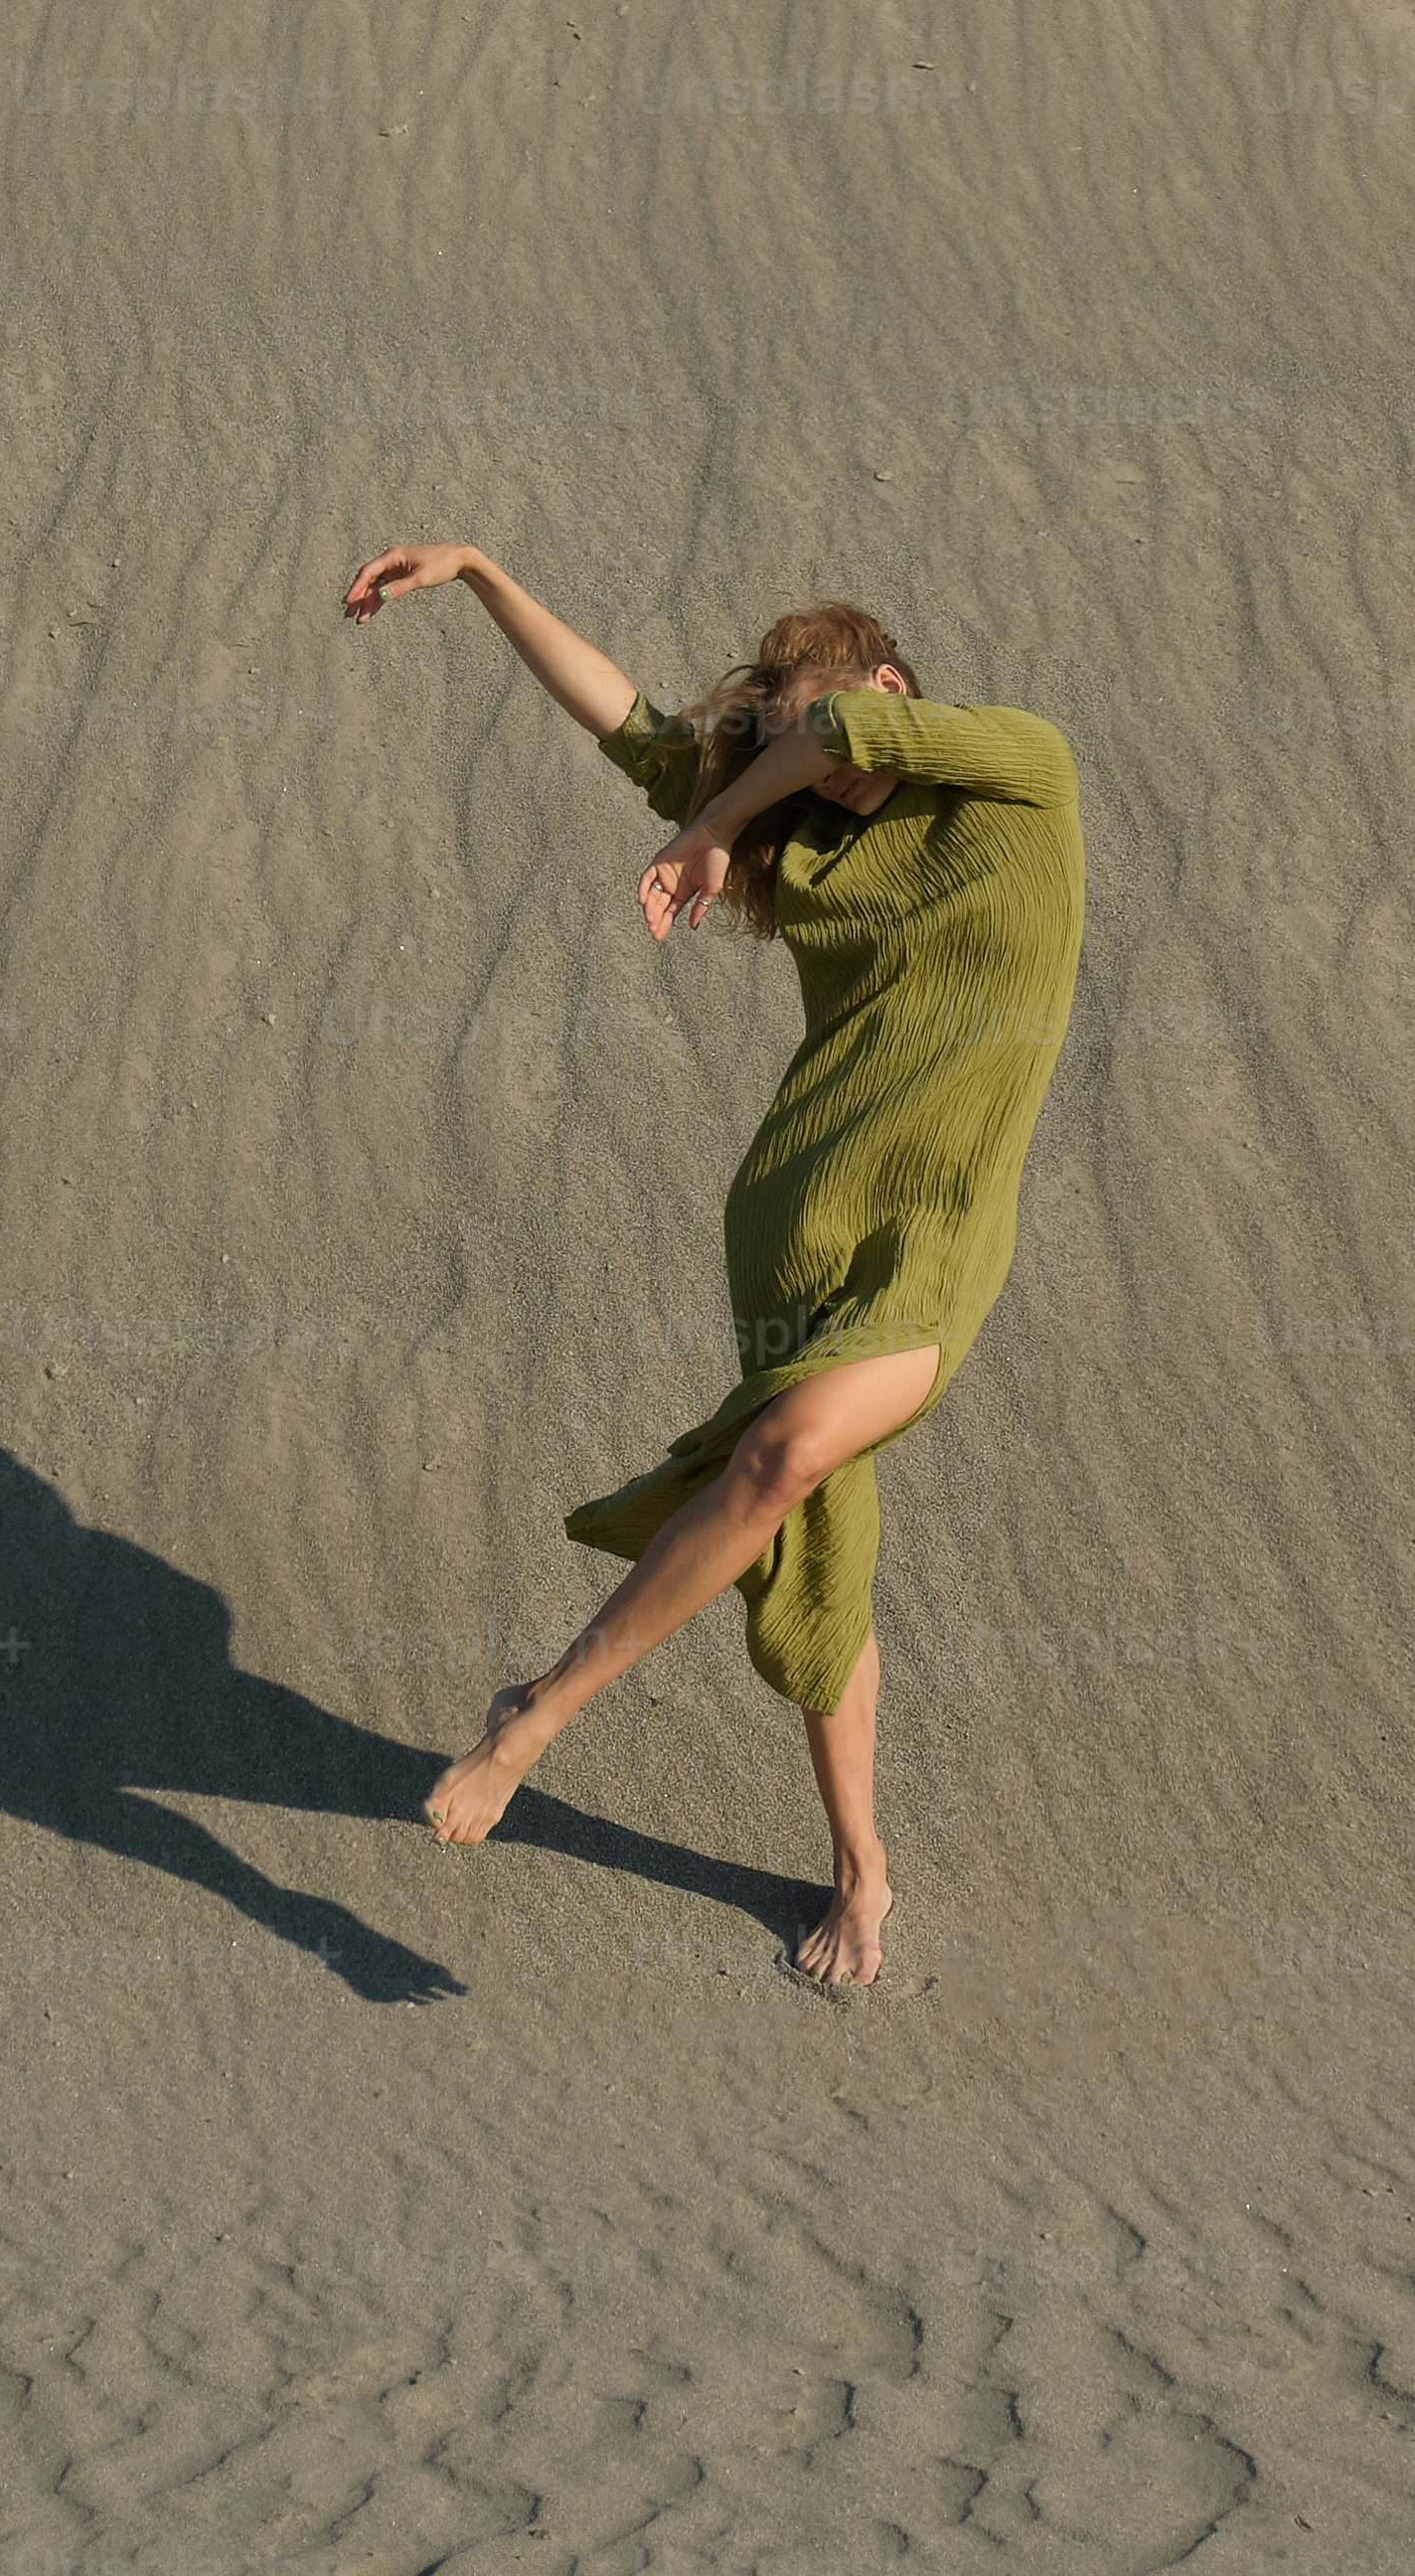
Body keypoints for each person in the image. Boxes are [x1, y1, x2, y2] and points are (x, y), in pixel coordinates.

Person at [337, 543, 1086, 1988]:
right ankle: (862, 1867)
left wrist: (718, 823)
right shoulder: (802, 833)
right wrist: (484, 574)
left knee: (784, 1457)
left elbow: (844, 733)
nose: (830, 774)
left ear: (896, 684)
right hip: (793, 1225)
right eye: (797, 755)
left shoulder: (1021, 781)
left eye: (835, 740)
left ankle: (539, 1714)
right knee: (818, 1547)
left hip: (934, 1239)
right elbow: (624, 719)